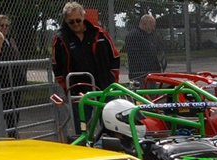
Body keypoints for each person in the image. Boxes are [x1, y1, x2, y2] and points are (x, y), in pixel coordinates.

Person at [51, 2, 121, 134]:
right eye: (71, 22)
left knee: (111, 125)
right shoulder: (61, 39)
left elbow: (115, 57)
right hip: (78, 90)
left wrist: (113, 81)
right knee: (82, 130)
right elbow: (57, 66)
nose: (75, 24)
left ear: (83, 17)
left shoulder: (99, 34)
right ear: (66, 21)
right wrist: (67, 87)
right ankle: (85, 144)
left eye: (78, 20)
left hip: (104, 88)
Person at [0, 15, 25, 137]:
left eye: (7, 25)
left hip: (16, 81)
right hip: (3, 82)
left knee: (14, 110)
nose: (5, 28)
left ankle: (13, 133)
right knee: (1, 109)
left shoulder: (11, 41)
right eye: (2, 25)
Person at [125, 15, 163, 88]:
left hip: (149, 72)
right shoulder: (134, 35)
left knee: (151, 92)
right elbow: (134, 56)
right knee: (143, 92)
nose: (153, 28)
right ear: (144, 24)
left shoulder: (147, 36)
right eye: (151, 25)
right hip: (140, 74)